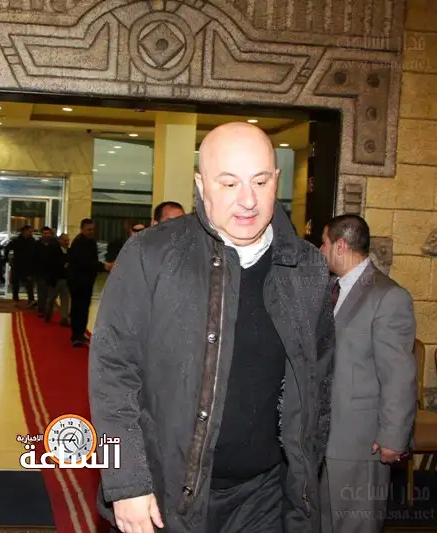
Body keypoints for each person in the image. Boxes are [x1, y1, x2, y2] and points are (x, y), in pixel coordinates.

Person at [89, 122, 335, 533]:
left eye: (260, 181)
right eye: (229, 183)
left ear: (276, 180)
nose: (248, 200)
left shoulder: (306, 267)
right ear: (202, 185)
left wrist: (307, 480)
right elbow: (112, 374)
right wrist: (127, 482)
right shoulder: (151, 254)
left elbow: (319, 385)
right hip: (166, 494)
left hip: (266, 497)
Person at [318, 214, 417, 533]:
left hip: (360, 441)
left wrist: (393, 437)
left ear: (340, 246)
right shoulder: (331, 289)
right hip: (324, 438)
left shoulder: (388, 296)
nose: (320, 250)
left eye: (324, 243)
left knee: (356, 524)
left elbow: (398, 374)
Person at [67, 218, 111, 348]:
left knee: (84, 308)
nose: (91, 232)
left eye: (92, 229)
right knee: (77, 309)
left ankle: (80, 332)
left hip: (87, 281)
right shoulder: (79, 243)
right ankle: (76, 336)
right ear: (82, 229)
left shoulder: (90, 242)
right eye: (88, 230)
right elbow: (84, 262)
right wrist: (103, 266)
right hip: (77, 281)